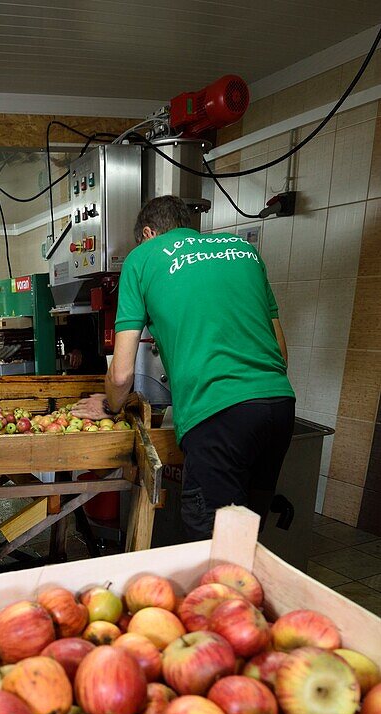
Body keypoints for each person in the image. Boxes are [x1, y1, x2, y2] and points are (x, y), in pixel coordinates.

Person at [73, 195, 295, 539]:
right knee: (245, 539)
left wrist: (110, 405)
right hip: (278, 407)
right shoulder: (244, 250)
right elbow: (280, 351)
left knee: (210, 545)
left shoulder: (142, 258)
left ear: (148, 233)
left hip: (218, 416)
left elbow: (121, 373)